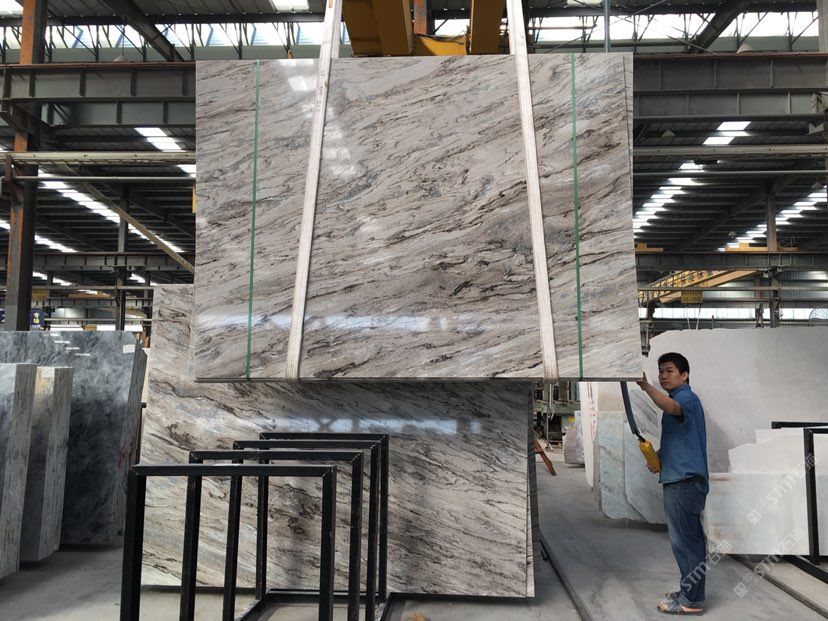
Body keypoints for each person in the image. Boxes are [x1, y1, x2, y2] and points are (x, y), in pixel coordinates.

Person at [636, 352, 709, 616]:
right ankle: (688, 591)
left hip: (684, 482)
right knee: (684, 543)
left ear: (684, 374)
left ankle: (692, 601)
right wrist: (658, 457)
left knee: (688, 544)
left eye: (669, 371)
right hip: (679, 479)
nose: (663, 376)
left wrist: (646, 386)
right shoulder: (679, 399)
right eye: (661, 371)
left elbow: (671, 408)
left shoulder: (686, 398)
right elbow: (680, 440)